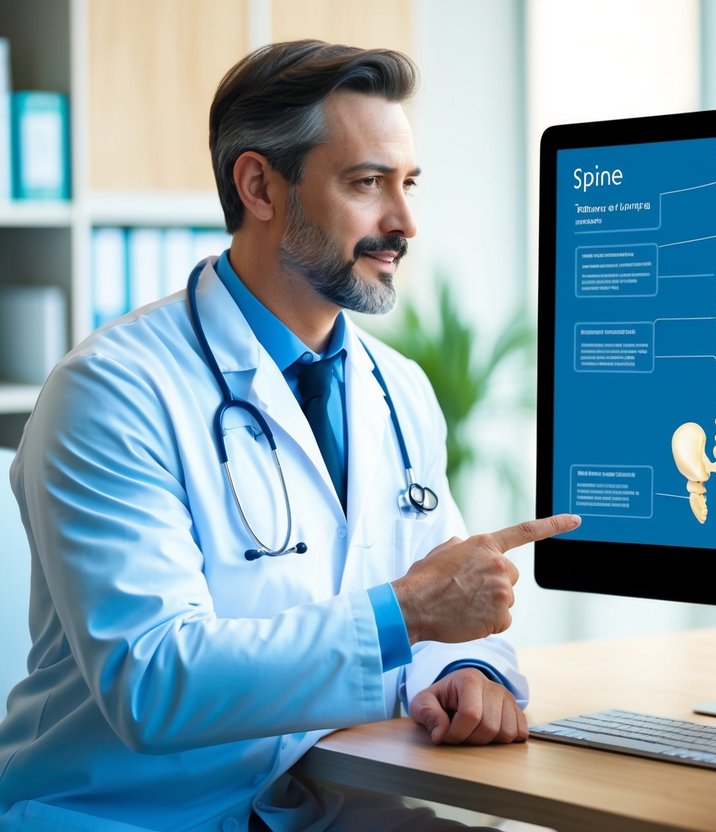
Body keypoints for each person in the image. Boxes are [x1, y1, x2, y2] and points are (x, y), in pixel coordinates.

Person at [0, 40, 578, 831]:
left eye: (407, 184)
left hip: (315, 802)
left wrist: (469, 667)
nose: (403, 222)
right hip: (127, 814)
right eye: (367, 183)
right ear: (259, 186)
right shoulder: (111, 392)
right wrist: (404, 615)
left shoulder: (397, 390)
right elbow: (153, 683)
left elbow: (441, 605)